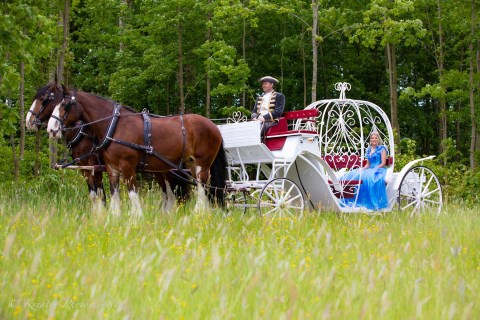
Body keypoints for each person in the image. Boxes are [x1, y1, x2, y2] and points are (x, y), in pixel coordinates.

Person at [341, 131, 389, 210]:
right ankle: (351, 199)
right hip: (370, 168)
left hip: (379, 169)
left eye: (376, 138)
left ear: (378, 139)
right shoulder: (369, 150)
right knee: (355, 174)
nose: (374, 139)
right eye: (372, 138)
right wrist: (361, 169)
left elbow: (383, 163)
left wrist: (375, 168)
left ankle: (373, 203)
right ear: (370, 139)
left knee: (370, 178)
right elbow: (368, 164)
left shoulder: (382, 149)